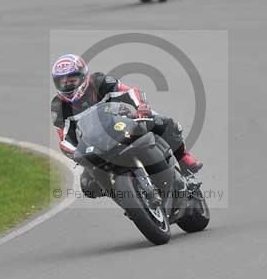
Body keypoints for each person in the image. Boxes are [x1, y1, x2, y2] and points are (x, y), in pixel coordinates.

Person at [51, 54, 202, 198]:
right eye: (63, 82)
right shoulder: (58, 107)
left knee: (167, 124)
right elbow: (65, 139)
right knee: (88, 186)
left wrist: (141, 107)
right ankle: (126, 199)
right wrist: (76, 152)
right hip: (96, 146)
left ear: (84, 76)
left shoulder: (99, 82)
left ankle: (183, 158)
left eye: (72, 81)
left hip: (123, 123)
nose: (68, 85)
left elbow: (130, 92)